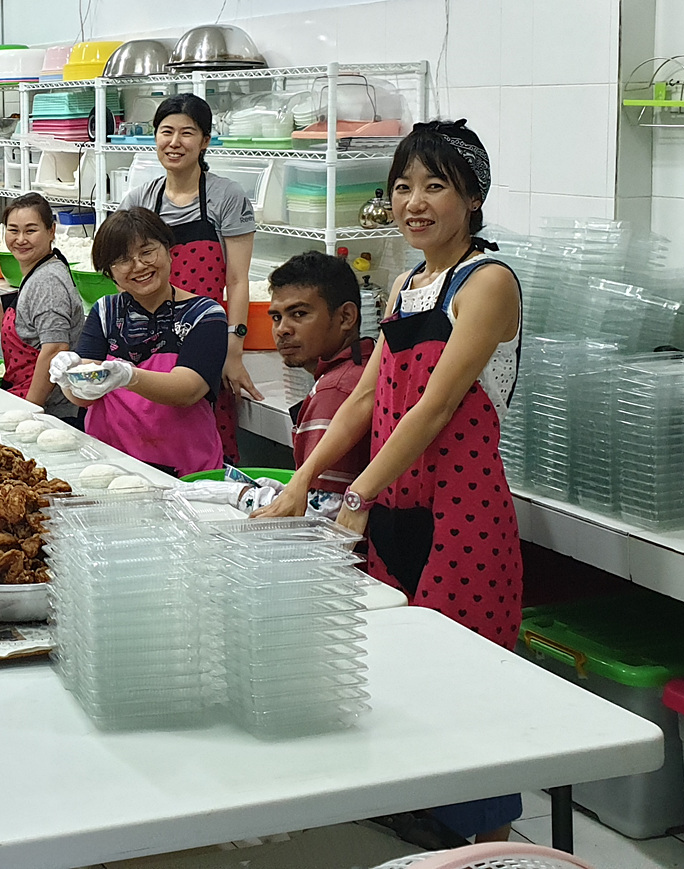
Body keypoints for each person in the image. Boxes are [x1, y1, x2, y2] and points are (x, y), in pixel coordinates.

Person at [255, 120, 524, 844]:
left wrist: (357, 493)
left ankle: (482, 846)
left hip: (463, 516)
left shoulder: (488, 282)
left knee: (465, 684)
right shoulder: (406, 286)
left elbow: (435, 405)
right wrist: (300, 482)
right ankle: (419, 831)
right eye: (403, 186)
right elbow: (367, 400)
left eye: (436, 186)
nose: (415, 202)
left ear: (473, 198)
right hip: (398, 509)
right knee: (403, 674)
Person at [123, 93, 263, 468]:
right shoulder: (139, 200)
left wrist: (233, 350)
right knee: (148, 436)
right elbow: (124, 276)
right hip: (149, 339)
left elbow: (237, 280)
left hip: (206, 337)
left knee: (204, 445)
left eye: (187, 133)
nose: (175, 142)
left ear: (204, 141)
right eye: (166, 131)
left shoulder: (226, 196)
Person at [50, 208, 229, 476]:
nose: (139, 266)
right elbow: (85, 395)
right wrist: (68, 379)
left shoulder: (204, 315)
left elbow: (188, 390)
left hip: (185, 470)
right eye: (123, 259)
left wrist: (129, 377)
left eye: (147, 252)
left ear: (169, 251)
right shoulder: (105, 311)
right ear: (109, 272)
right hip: (110, 464)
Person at [262, 251, 375, 517]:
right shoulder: (362, 366)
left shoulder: (335, 390)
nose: (282, 329)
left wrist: (236, 494)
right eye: (276, 317)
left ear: (346, 317)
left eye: (299, 313)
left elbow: (322, 511)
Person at [0, 193, 87, 419]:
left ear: (51, 231)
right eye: (13, 230)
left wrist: (30, 412)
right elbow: (25, 332)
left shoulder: (47, 282)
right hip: (26, 397)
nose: (20, 239)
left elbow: (55, 349)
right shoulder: (38, 271)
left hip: (51, 413)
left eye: (30, 230)